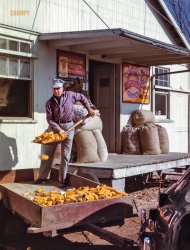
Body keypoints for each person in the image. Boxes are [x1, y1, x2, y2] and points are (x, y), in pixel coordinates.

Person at [35, 78, 95, 187]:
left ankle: (62, 181)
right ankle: (42, 177)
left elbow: (81, 97)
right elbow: (50, 120)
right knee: (46, 153)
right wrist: (59, 130)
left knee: (65, 156)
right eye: (54, 89)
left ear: (62, 89)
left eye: (58, 89)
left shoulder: (70, 95)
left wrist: (89, 108)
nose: (56, 91)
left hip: (69, 126)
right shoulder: (49, 103)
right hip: (55, 128)